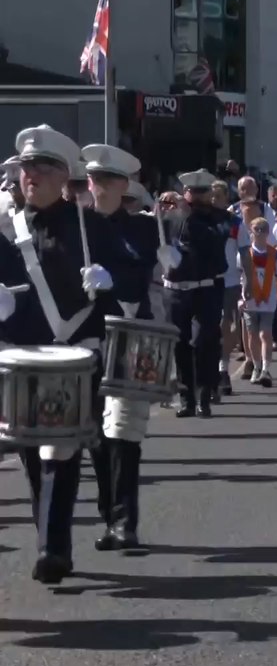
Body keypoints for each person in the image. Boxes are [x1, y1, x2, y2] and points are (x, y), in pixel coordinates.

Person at [0, 125, 141, 582]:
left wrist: (109, 282)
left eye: (41, 168)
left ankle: (53, 550)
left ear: (63, 176)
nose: (30, 175)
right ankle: (50, 539)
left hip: (74, 352)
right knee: (32, 454)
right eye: (25, 167)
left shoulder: (90, 226)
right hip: (21, 356)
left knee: (59, 450)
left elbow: (133, 285)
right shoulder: (6, 231)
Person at [82, 143, 162, 551]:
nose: (95, 186)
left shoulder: (144, 227)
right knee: (94, 432)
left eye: (104, 181)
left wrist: (116, 276)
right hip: (90, 337)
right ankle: (108, 510)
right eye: (93, 179)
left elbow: (138, 272)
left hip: (133, 336)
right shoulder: (78, 225)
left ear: (121, 186)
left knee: (124, 430)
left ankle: (124, 522)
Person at [163, 169, 234, 418]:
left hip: (207, 287)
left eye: (202, 193)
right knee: (179, 344)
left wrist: (189, 214)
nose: (196, 197)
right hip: (177, 290)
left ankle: (205, 394)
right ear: (185, 192)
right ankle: (186, 398)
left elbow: (215, 239)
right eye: (192, 192)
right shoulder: (173, 216)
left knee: (205, 341)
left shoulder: (220, 218)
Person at [239, 216, 277, 386]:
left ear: (268, 233)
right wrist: (239, 297)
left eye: (263, 230)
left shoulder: (275, 255)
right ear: (251, 233)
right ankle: (256, 366)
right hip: (249, 300)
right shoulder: (244, 254)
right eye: (256, 229)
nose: (260, 233)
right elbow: (239, 277)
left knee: (265, 334)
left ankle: (266, 369)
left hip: (268, 300)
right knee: (252, 335)